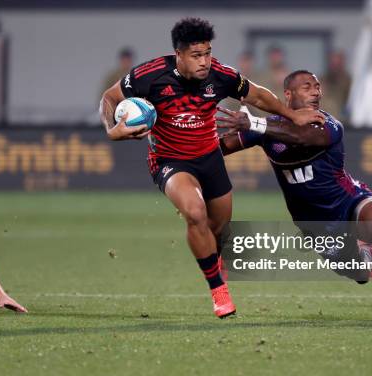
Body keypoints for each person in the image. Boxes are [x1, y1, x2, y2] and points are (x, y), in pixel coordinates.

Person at [99, 18, 324, 318]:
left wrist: (290, 115)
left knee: (219, 227)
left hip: (209, 157)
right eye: (196, 55)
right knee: (195, 213)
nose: (205, 61)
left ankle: (214, 260)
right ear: (178, 54)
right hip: (169, 159)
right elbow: (110, 98)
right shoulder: (149, 75)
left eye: (207, 53)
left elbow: (256, 94)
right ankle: (218, 290)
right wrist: (111, 128)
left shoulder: (219, 75)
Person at [217, 70, 372, 325]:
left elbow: (302, 136)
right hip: (314, 223)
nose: (316, 92)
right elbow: (220, 149)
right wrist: (188, 165)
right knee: (358, 274)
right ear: (288, 94)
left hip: (350, 201)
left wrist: (254, 122)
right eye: (307, 87)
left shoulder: (329, 125)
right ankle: (366, 255)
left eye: (317, 87)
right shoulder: (268, 129)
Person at [320, 50, 352, 121]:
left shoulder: (349, 82)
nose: (335, 68)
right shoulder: (322, 81)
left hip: (345, 122)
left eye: (338, 64)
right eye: (333, 64)